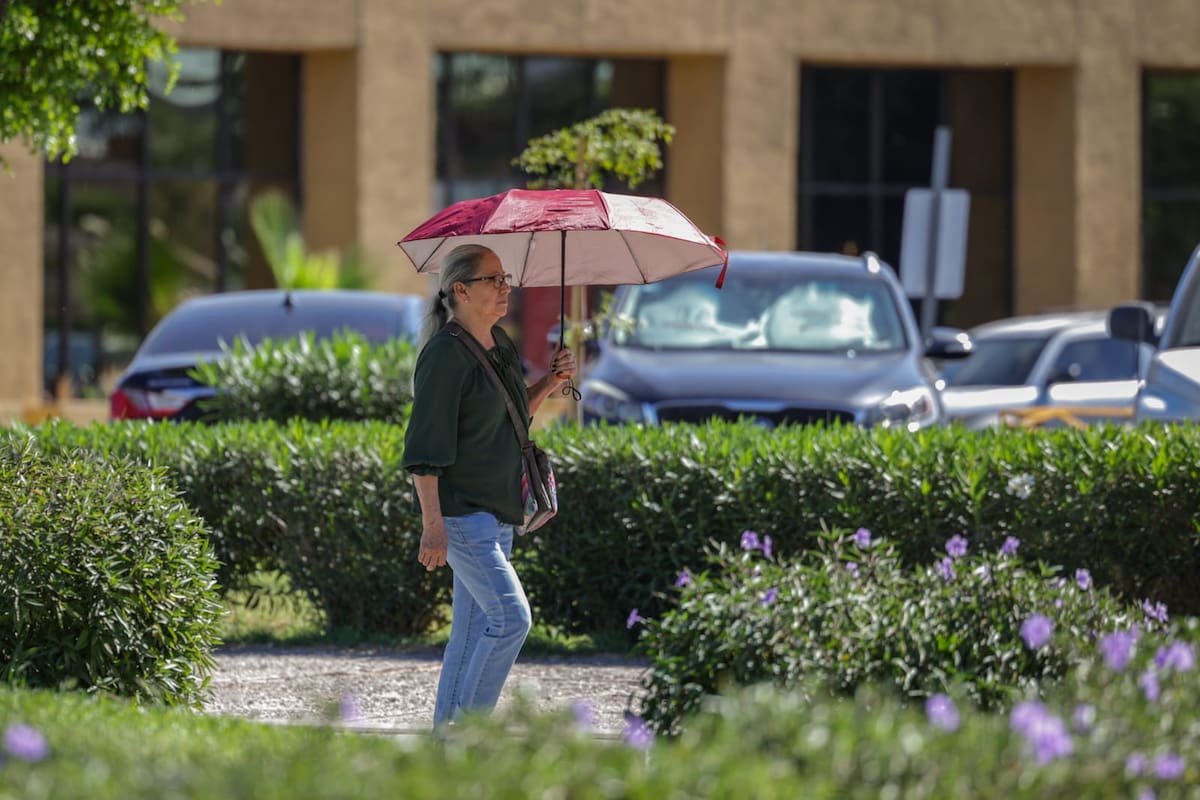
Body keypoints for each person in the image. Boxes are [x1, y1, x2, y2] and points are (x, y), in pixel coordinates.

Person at [401, 243, 577, 731]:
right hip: (463, 518)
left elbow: (510, 416)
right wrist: (432, 526)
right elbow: (423, 453)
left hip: (498, 517)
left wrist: (549, 382)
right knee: (511, 620)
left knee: (472, 632)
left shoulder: (499, 344)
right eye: (493, 279)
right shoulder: (443, 356)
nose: (505, 288)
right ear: (460, 290)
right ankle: (470, 736)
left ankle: (446, 749)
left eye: (505, 279)